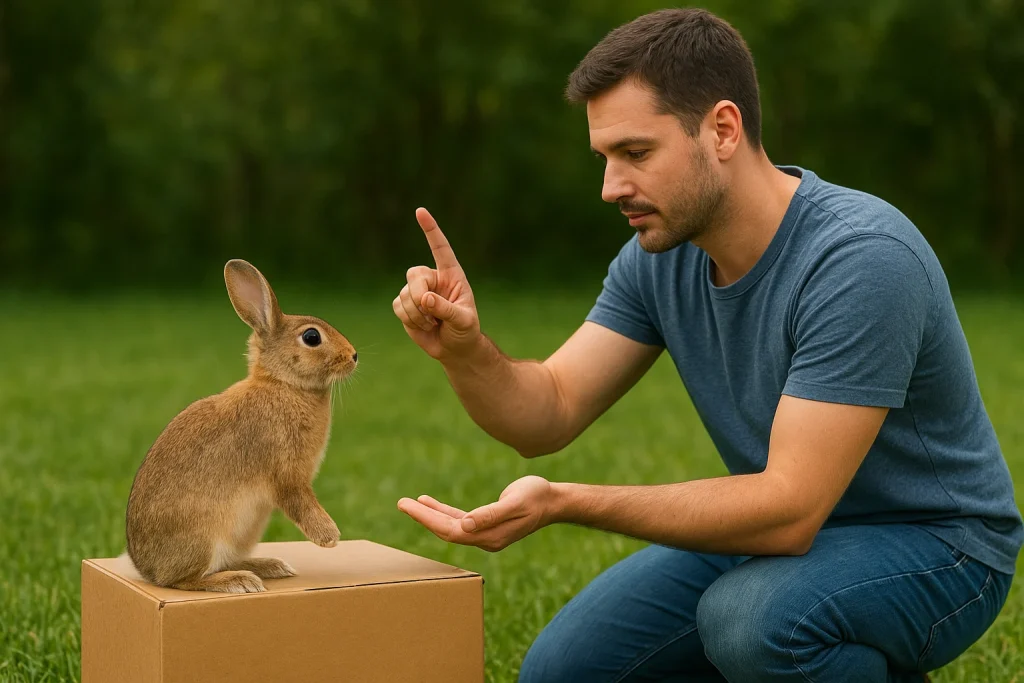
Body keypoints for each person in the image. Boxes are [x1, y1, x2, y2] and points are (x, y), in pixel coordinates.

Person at [391, 8, 1022, 683]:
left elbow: (788, 510)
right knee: (562, 671)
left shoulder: (861, 258)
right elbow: (547, 410)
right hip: (775, 530)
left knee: (752, 621)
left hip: (936, 543)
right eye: (604, 159)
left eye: (635, 153)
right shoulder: (659, 257)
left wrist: (564, 501)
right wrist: (465, 349)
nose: (610, 188)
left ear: (723, 129)